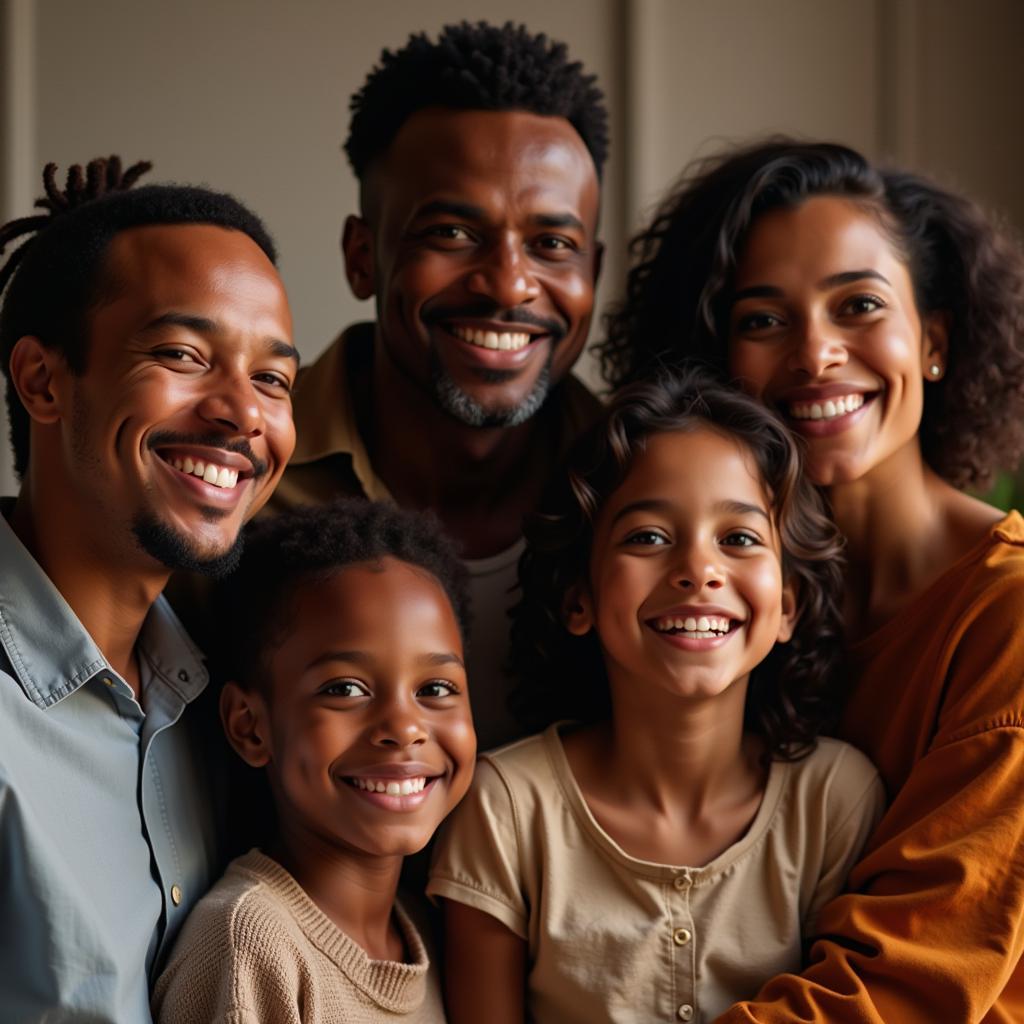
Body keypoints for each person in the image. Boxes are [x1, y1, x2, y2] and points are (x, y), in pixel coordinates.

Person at [598, 139, 1024, 1022]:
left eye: (858, 305)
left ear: (934, 340)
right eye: (762, 320)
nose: (816, 355)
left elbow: (906, 985)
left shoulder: (1007, 618)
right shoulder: (705, 610)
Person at [428, 369, 885, 1023]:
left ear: (787, 606)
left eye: (740, 539)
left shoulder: (835, 801)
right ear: (579, 598)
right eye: (647, 537)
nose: (699, 569)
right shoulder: (505, 809)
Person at [0, 156, 298, 1022]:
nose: (243, 414)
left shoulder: (225, 698)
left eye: (273, 378)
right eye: (182, 354)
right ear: (44, 382)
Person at [271, 21, 608, 749]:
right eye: (453, 234)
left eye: (553, 245)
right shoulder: (244, 475)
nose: (509, 285)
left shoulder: (641, 489)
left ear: (594, 274)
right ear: (364, 258)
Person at [152, 499, 476, 1023]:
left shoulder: (424, 928)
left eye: (435, 688)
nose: (404, 728)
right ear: (249, 726)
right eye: (345, 688)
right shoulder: (251, 943)